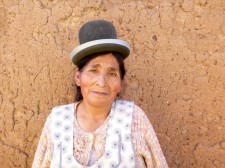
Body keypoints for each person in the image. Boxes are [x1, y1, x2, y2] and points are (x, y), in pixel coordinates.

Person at [32, 20, 169, 168]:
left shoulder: (135, 119)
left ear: (121, 83)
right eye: (93, 70)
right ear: (78, 77)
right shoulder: (57, 121)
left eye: (112, 73)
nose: (102, 82)